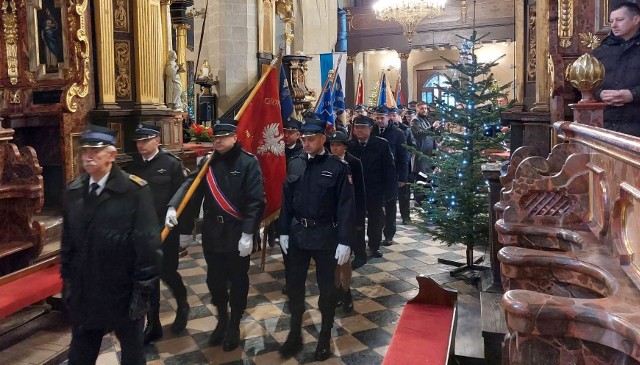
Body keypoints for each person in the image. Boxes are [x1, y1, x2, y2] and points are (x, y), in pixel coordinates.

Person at [61, 125, 161, 365]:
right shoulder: (75, 192)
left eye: (95, 151)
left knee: (132, 357)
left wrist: (141, 295)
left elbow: (148, 249)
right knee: (79, 357)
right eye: (84, 151)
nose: (88, 157)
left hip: (123, 295)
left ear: (112, 155)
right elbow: (68, 247)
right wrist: (70, 287)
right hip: (87, 295)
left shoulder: (134, 191)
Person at [166, 119, 265, 352]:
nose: (218, 141)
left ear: (234, 137)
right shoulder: (208, 162)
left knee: (239, 280)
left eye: (223, 137)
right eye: (215, 138)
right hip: (213, 232)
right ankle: (222, 317)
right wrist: (174, 206)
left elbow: (255, 201)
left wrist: (249, 233)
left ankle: (234, 323)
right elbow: (190, 187)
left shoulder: (249, 163)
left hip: (236, 232)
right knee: (215, 281)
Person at [278, 116, 355, 361]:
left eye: (311, 139)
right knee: (294, 287)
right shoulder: (295, 163)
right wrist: (283, 231)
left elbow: (346, 207)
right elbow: (287, 201)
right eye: (303, 138)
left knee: (327, 290)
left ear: (323, 139)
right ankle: (294, 334)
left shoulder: (338, 167)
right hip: (299, 234)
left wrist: (345, 240)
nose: (306, 143)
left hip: (325, 235)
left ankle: (324, 336)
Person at [125, 123, 190, 344]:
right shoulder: (133, 167)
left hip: (166, 230)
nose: (141, 145)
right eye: (138, 141)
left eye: (145, 140)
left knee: (168, 273)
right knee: (149, 277)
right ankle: (153, 324)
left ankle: (182, 305)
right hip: (143, 232)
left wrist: (183, 228)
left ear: (157, 140)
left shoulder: (171, 164)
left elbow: (184, 198)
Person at [348, 115, 396, 259]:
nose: (359, 130)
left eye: (363, 127)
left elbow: (389, 169)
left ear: (370, 129)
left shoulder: (381, 144)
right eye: (357, 127)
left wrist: (389, 192)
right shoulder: (350, 145)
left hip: (376, 190)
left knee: (376, 221)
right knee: (357, 222)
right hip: (355, 191)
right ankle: (359, 250)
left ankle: (374, 247)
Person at [328, 131, 366, 306]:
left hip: (349, 216)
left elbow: (359, 193)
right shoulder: (327, 162)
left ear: (345, 146)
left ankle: (346, 291)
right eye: (332, 145)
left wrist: (359, 220)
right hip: (330, 217)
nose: (334, 148)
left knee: (345, 259)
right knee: (332, 260)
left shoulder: (354, 163)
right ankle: (335, 291)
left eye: (338, 145)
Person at [593, 2, 640, 136]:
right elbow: (585, 85)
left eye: (619, 20)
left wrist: (633, 95)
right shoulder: (601, 51)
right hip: (606, 124)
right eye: (611, 21)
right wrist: (600, 94)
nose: (613, 25)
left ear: (636, 19)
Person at [372, 106, 409, 247]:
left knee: (390, 206)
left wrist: (402, 178)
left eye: (382, 118)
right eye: (377, 118)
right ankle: (375, 234)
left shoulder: (397, 133)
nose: (379, 121)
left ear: (389, 117)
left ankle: (389, 234)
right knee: (375, 207)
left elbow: (403, 156)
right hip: (374, 175)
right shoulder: (372, 131)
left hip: (390, 176)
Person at [391, 107, 415, 224]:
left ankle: (406, 216)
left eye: (394, 115)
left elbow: (412, 145)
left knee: (404, 193)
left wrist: (407, 155)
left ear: (399, 116)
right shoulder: (387, 131)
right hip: (390, 166)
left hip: (403, 165)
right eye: (389, 115)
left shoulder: (406, 129)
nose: (392, 118)